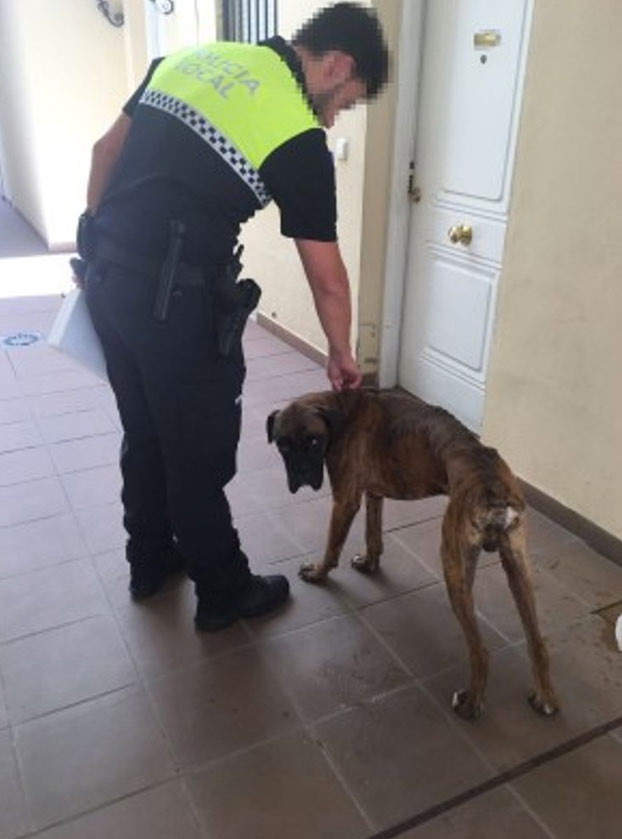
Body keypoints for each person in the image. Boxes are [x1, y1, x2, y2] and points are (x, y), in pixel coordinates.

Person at [77, 2, 389, 631]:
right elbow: (327, 278)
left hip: (109, 283)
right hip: (178, 303)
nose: (333, 117)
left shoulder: (191, 59)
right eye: (344, 101)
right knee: (195, 450)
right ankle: (222, 590)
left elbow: (103, 152)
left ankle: (150, 559)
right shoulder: (297, 131)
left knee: (145, 430)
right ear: (336, 66)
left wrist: (94, 244)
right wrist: (340, 352)